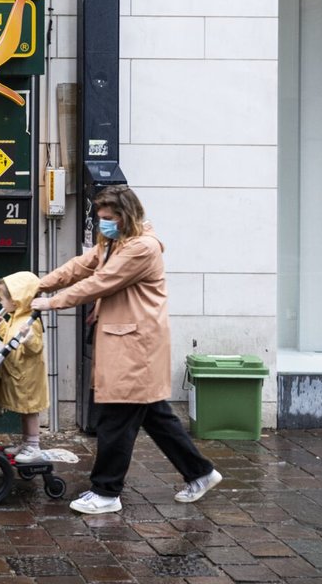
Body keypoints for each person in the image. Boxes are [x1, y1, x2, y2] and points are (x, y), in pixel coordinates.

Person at [30, 184, 221, 515]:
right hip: (125, 340)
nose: (102, 223)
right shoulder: (114, 241)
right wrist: (38, 284)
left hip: (136, 346)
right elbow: (81, 266)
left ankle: (106, 492)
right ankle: (201, 473)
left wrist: (50, 303)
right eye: (99, 217)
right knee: (156, 417)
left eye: (107, 218)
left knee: (115, 419)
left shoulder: (142, 249)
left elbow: (99, 283)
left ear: (125, 216)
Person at [0, 271, 51, 463]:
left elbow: (35, 347)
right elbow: (11, 338)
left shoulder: (31, 322)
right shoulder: (17, 318)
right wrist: (1, 326)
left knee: (30, 410)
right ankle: (26, 443)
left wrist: (29, 338)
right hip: (19, 373)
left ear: (15, 301)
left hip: (28, 376)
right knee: (24, 411)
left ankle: (33, 446)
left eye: (2, 299)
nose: (1, 304)